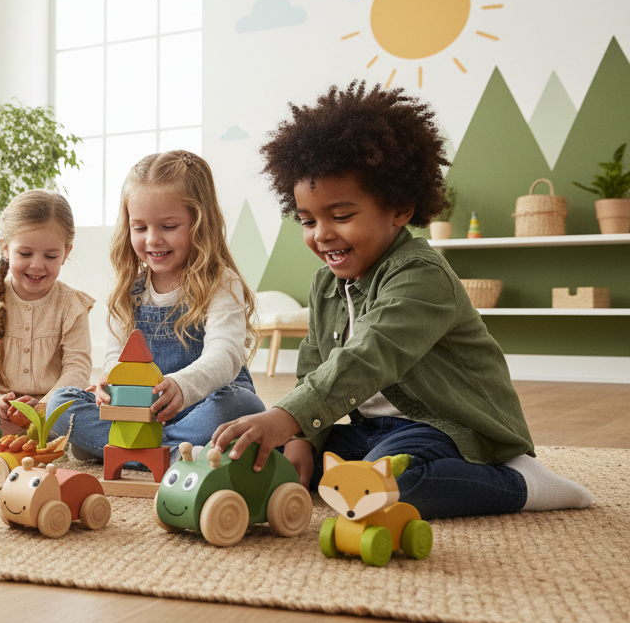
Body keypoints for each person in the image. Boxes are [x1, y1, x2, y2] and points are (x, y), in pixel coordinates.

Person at [213, 81, 593, 519]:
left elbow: (371, 355)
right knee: (292, 461)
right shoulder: (325, 285)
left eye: (341, 216)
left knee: (388, 485)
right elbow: (313, 368)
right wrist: (301, 440)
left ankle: (521, 483)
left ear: (399, 208)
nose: (321, 234)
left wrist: (286, 417)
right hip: (371, 431)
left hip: (450, 428)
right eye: (307, 220)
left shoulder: (421, 275)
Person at [50, 150, 265, 460]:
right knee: (61, 403)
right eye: (140, 228)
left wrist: (182, 385)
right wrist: (109, 385)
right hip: (140, 412)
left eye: (168, 227)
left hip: (200, 405)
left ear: (199, 223)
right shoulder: (130, 291)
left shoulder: (220, 283)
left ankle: (124, 450)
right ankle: (177, 453)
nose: (152, 240)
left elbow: (225, 355)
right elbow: (115, 357)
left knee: (243, 406)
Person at [0, 190, 94, 435]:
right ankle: (28, 435)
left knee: (85, 402)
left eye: (51, 255)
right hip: (0, 410)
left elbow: (78, 369)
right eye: (25, 254)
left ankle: (33, 431)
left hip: (51, 410)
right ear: (5, 248)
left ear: (65, 253)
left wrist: (43, 406)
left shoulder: (72, 304)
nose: (36, 264)